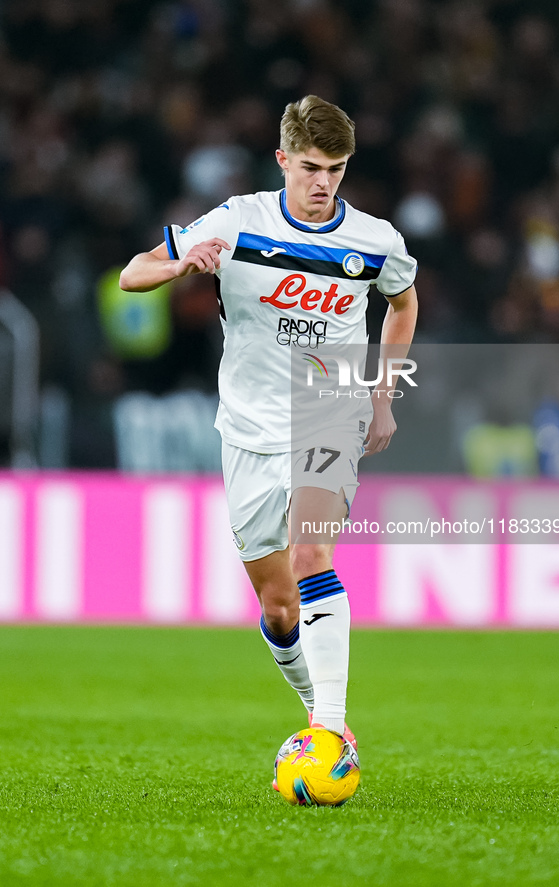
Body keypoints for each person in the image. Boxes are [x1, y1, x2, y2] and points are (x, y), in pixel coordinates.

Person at [120, 95, 418, 764]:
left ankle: (331, 732)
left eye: (336, 168)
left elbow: (403, 302)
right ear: (282, 159)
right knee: (279, 605)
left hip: (328, 410)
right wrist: (177, 265)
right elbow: (130, 272)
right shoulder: (236, 221)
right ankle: (317, 707)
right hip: (247, 428)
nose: (323, 183)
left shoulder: (374, 240)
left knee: (312, 556)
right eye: (310, 166)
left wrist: (382, 392)